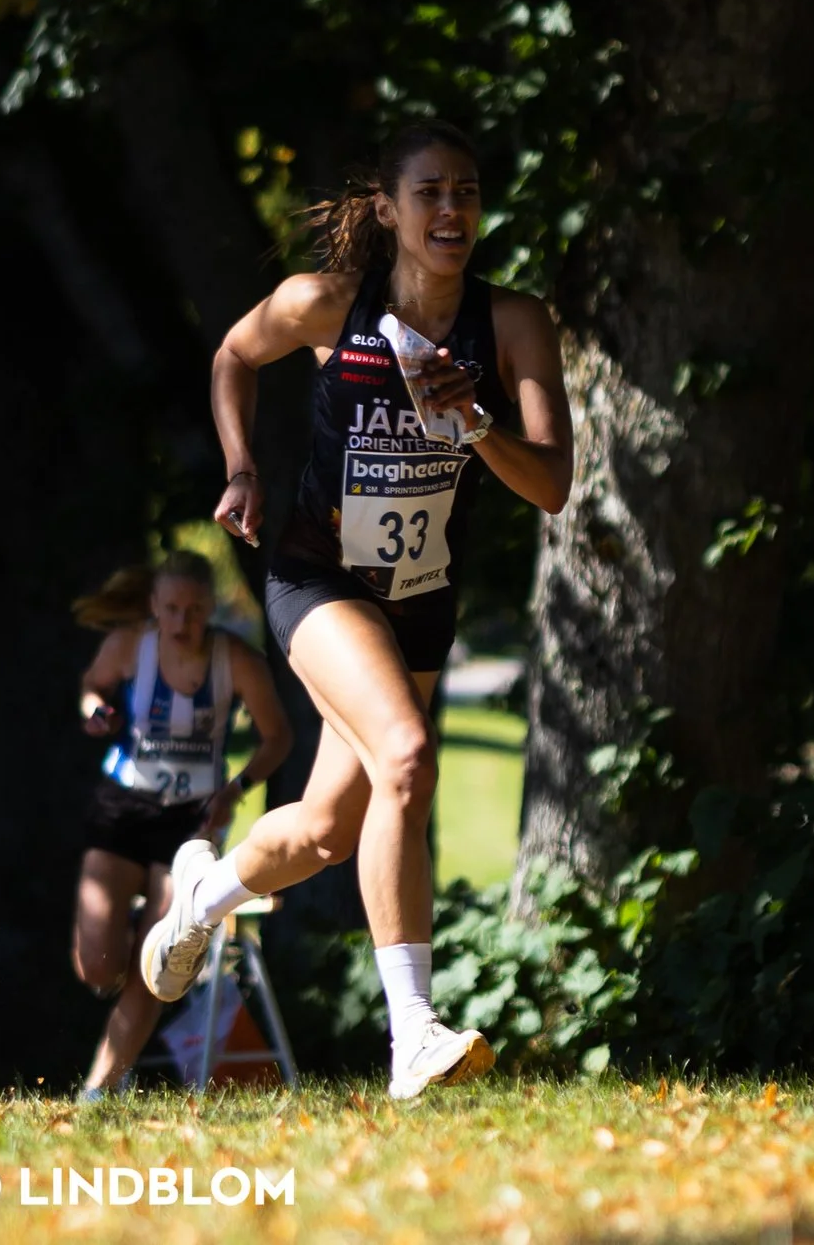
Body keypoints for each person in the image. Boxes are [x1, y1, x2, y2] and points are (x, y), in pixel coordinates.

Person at [138, 122, 574, 1101]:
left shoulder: (510, 325)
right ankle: (411, 1033)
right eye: (428, 192)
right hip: (316, 582)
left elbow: (548, 485)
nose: (451, 210)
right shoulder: (325, 304)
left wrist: (474, 423)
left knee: (331, 829)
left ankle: (200, 894)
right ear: (387, 208)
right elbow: (231, 356)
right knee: (408, 756)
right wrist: (242, 466)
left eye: (466, 190)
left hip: (418, 599)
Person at [69, 552, 292, 1100]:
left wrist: (236, 788)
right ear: (154, 607)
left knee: (159, 961)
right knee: (98, 966)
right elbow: (91, 686)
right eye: (171, 609)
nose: (182, 622)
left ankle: (103, 1085)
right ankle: (137, 929)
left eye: (194, 610)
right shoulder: (129, 646)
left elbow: (278, 737)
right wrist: (95, 710)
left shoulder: (236, 659)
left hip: (193, 821)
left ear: (210, 608)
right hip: (123, 807)